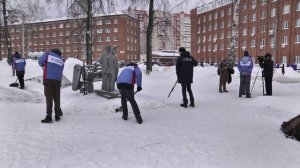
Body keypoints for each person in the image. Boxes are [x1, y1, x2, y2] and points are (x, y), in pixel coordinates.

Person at [38, 49, 64, 123]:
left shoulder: (48, 53)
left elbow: (40, 61)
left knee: (49, 97)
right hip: (58, 80)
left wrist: (44, 65)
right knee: (57, 97)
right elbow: (61, 70)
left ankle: (49, 116)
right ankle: (57, 115)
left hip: (48, 79)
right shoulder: (61, 59)